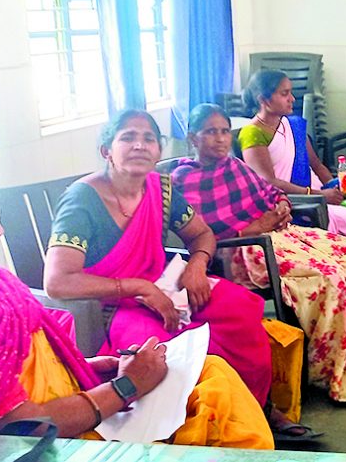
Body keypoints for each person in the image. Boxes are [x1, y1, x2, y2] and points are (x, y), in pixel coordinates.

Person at [0, 159, 272, 448]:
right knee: (215, 406)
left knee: (209, 371)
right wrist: (126, 386)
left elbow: (16, 370)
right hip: (52, 443)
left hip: (73, 400)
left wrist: (87, 366)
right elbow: (20, 428)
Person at [43, 110, 305, 439]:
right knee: (162, 349)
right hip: (109, 307)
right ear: (106, 150)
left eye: (149, 139)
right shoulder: (83, 199)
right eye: (128, 138)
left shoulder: (160, 188)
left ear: (159, 150)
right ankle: (199, 431)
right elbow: (58, 282)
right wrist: (138, 288)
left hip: (165, 288)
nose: (140, 145)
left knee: (237, 309)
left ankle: (256, 407)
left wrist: (197, 265)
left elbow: (202, 234)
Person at [171, 103, 346, 406]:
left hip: (278, 236)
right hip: (243, 252)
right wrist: (256, 227)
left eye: (225, 131)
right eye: (210, 132)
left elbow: (271, 192)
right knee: (331, 278)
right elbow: (204, 233)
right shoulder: (184, 178)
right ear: (192, 138)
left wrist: (281, 207)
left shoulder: (234, 166)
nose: (220, 138)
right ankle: (337, 377)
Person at [238, 70, 346, 327]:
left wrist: (335, 186)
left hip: (319, 192)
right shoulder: (252, 134)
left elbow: (317, 165)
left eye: (290, 92)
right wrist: (320, 196)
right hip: (292, 202)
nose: (292, 99)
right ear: (264, 100)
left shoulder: (293, 125)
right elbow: (269, 183)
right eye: (284, 94)